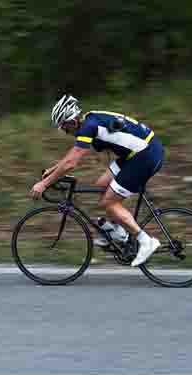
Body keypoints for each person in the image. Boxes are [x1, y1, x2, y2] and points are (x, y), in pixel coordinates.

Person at [31, 96, 164, 268]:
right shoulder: (89, 121)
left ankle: (146, 241)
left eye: (64, 126)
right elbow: (73, 154)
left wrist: (44, 183)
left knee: (110, 202)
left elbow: (72, 163)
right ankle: (119, 231)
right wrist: (53, 169)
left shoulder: (89, 126)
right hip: (135, 154)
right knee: (101, 186)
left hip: (145, 155)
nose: (64, 131)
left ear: (72, 120)